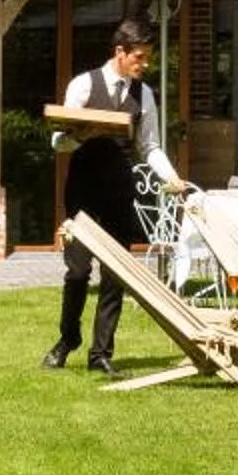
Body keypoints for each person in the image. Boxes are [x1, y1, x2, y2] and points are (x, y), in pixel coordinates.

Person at [44, 19, 187, 373]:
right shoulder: (83, 85)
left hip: (119, 190)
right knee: (77, 272)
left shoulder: (145, 95)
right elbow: (58, 141)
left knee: (115, 274)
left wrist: (172, 178)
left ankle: (101, 354)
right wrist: (82, 134)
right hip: (83, 188)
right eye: (139, 57)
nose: (145, 64)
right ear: (119, 52)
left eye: (148, 58)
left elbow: (149, 146)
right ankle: (67, 340)